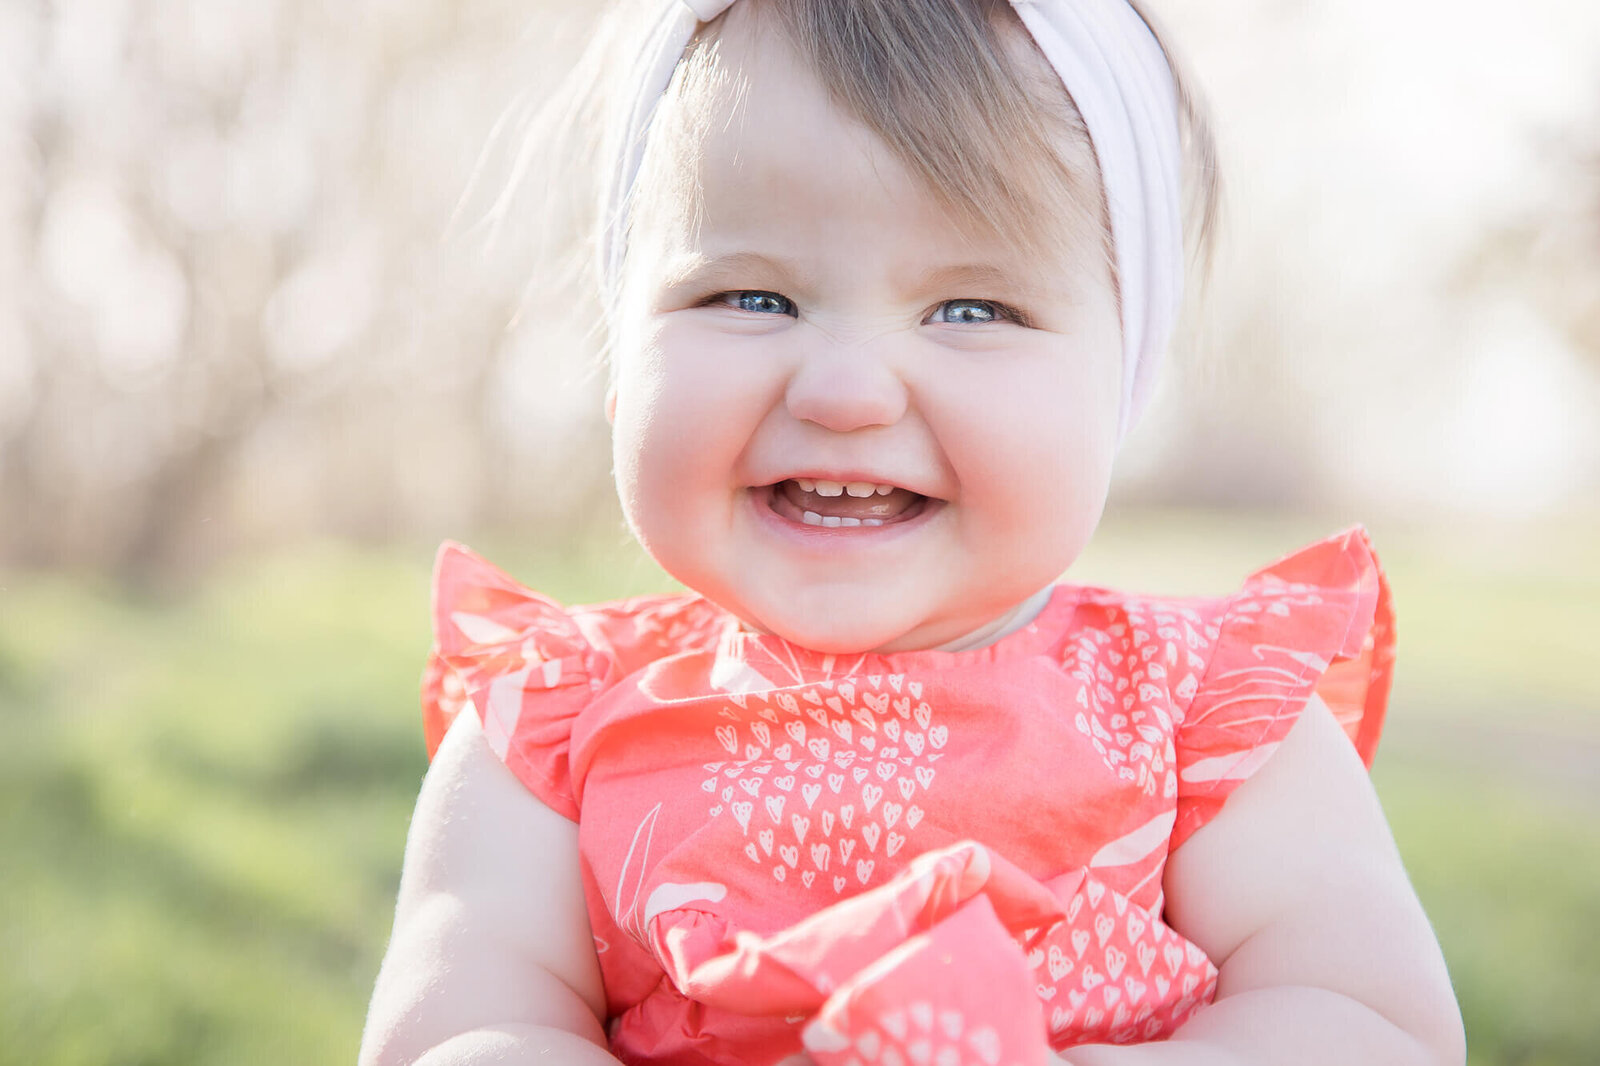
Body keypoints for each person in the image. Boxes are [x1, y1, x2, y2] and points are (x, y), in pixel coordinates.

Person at [360, 1, 1465, 1063]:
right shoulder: (549, 726)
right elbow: (451, 1032)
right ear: (621, 358)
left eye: (971, 311)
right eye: (750, 297)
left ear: (1116, 391)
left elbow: (1368, 1024)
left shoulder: (1204, 719)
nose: (846, 390)